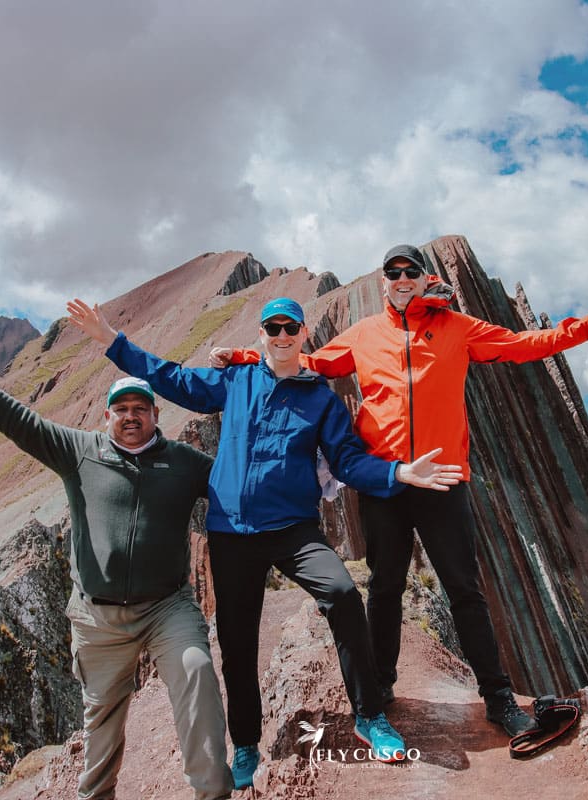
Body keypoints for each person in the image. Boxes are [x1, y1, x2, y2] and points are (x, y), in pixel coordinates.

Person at [211, 243, 588, 738]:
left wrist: (584, 328)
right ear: (383, 281)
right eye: (393, 271)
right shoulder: (365, 334)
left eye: (411, 271)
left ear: (426, 279)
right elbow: (308, 362)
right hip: (385, 483)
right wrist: (240, 356)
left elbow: (520, 345)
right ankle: (382, 687)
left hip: (442, 480)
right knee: (385, 588)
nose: (402, 277)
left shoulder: (458, 328)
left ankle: (497, 698)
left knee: (464, 591)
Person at [66, 296, 462, 789]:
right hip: (232, 532)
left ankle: (370, 715)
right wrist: (110, 340)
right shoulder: (237, 381)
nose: (281, 335)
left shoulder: (321, 398)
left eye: (289, 327)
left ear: (302, 335)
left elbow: (346, 460)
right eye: (272, 327)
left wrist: (399, 471)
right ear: (261, 334)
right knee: (237, 641)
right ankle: (247, 744)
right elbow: (170, 378)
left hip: (294, 529)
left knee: (341, 593)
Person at [0, 340, 232, 800]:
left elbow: (238, 485)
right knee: (101, 722)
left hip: (168, 607)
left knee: (197, 674)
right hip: (98, 619)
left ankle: (213, 792)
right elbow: (20, 423)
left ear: (155, 415)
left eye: (140, 408)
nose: (131, 416)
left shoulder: (183, 462)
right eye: (121, 409)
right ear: (106, 417)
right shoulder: (78, 451)